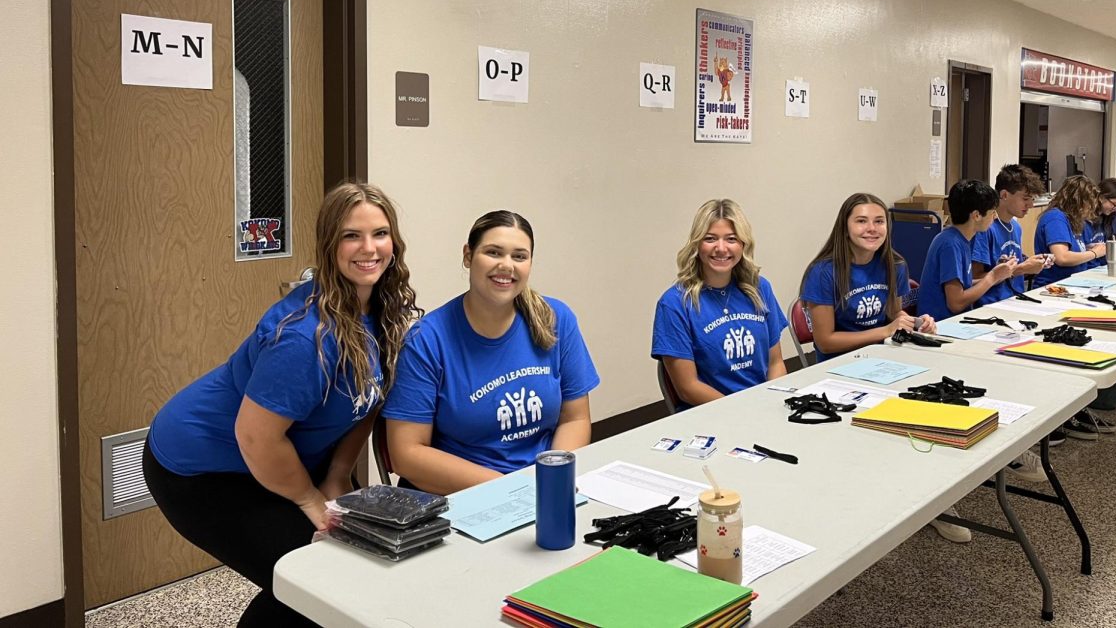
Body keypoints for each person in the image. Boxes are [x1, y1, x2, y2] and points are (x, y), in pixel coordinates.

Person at [144, 182, 421, 627]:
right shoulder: (303, 339)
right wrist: (310, 499)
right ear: (329, 244)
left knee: (329, 576)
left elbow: (366, 400)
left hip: (278, 455)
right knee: (315, 578)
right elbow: (256, 437)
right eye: (352, 236)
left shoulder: (381, 309)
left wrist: (335, 477)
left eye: (381, 233)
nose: (369, 248)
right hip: (204, 466)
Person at [385, 210, 599, 494]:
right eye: (493, 252)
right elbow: (407, 454)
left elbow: (575, 418)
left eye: (519, 256)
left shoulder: (556, 318)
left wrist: (553, 478)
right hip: (466, 494)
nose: (506, 266)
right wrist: (514, 489)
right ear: (467, 255)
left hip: (544, 486)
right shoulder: (428, 340)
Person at [652, 199, 787, 407]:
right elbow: (688, 388)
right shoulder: (674, 304)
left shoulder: (760, 288)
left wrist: (772, 403)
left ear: (743, 244)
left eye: (731, 239)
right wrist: (743, 412)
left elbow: (775, 363)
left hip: (763, 406)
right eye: (710, 239)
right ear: (697, 244)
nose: (721, 248)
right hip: (712, 413)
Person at [800, 192, 934, 362]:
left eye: (879, 221)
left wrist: (915, 323)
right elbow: (825, 342)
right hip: (838, 363)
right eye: (861, 221)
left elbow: (893, 313)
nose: (872, 228)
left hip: (883, 356)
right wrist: (885, 331)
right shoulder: (823, 272)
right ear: (845, 228)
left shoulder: (895, 265)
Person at [917, 179, 1016, 322]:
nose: (995, 217)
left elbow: (965, 286)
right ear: (976, 215)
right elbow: (956, 303)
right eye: (992, 212)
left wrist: (998, 274)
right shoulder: (950, 244)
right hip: (940, 325)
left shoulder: (962, 238)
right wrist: (992, 277)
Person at [971, 165, 1052, 305]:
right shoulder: (985, 228)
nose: (1030, 205)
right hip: (991, 304)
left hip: (1015, 299)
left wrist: (1033, 263)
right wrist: (1022, 268)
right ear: (1004, 195)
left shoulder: (1016, 227)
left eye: (1032, 199)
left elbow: (1014, 267)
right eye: (1026, 199)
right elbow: (974, 278)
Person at [1031, 175, 1106, 288]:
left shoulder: (1073, 219)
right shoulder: (1055, 218)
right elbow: (1062, 258)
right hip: (1054, 286)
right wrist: (1094, 253)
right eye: (1089, 206)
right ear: (1079, 202)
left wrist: (1087, 248)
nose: (1091, 210)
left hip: (1073, 283)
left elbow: (1070, 250)